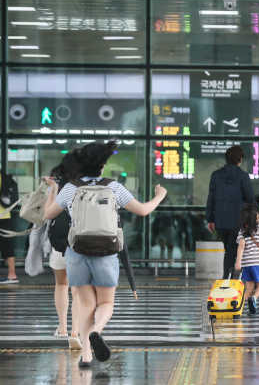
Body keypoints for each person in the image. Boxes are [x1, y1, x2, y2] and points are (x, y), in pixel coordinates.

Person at [44, 140, 167, 368]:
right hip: (106, 251)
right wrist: (159, 195)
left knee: (86, 304)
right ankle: (97, 331)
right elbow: (142, 210)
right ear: (102, 166)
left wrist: (53, 190)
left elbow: (49, 214)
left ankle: (87, 356)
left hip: (76, 252)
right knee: (106, 303)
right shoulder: (113, 187)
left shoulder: (71, 187)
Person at [206, 145, 259, 278]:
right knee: (231, 250)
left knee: (230, 249)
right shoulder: (243, 176)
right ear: (240, 159)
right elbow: (250, 198)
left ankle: (230, 277)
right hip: (237, 220)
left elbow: (210, 199)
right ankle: (228, 279)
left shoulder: (215, 175)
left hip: (220, 220)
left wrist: (210, 219)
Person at [48, 154, 82, 349]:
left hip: (59, 244)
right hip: (80, 243)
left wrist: (52, 189)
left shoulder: (59, 186)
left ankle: (62, 328)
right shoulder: (85, 185)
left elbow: (48, 213)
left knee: (61, 284)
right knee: (78, 289)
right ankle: (75, 331)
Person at [0, 172, 18, 284]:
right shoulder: (3, 176)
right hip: (4, 215)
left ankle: (12, 274)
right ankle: (12, 274)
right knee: (6, 244)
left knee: (6, 244)